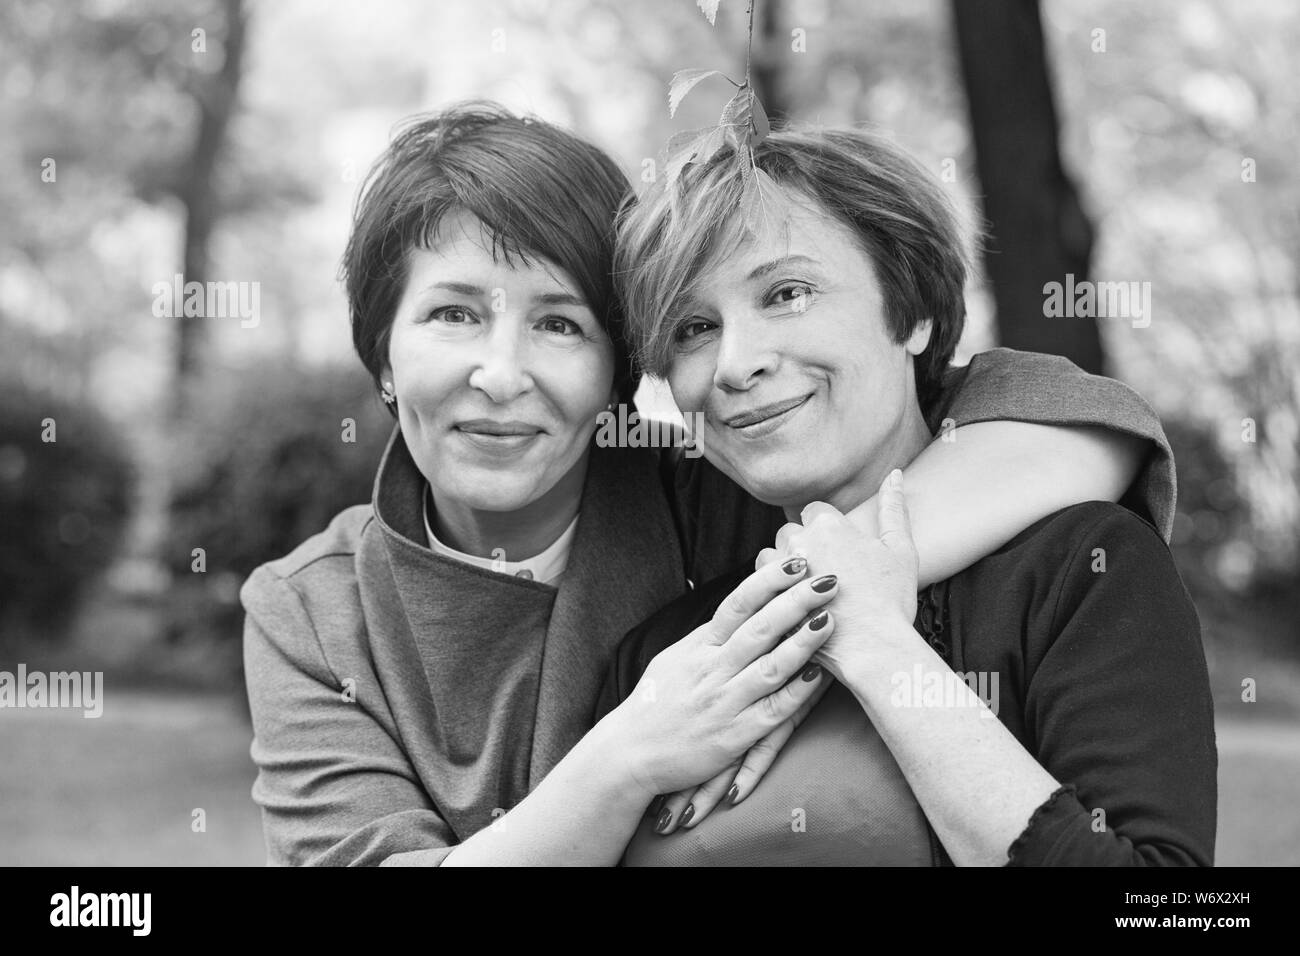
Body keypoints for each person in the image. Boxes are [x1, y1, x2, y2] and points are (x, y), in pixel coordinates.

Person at [241, 104, 1180, 866]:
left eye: (560, 325)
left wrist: (835, 585)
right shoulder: (311, 612)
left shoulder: (722, 488)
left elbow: (1079, 421)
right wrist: (630, 753)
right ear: (383, 355)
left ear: (617, 368)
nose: (500, 373)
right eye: (451, 314)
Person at [598, 124, 1216, 865]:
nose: (735, 364)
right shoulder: (667, 651)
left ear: (913, 311)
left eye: (788, 293)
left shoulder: (1081, 570)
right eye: (694, 328)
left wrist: (880, 649)